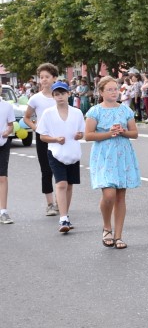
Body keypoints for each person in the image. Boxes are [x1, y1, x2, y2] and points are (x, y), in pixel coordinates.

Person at [84, 77, 141, 249]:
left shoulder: (125, 110)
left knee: (120, 196)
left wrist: (123, 131)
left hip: (122, 154)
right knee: (109, 194)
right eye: (109, 89)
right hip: (103, 154)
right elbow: (88, 135)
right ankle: (107, 226)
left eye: (116, 89)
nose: (114, 92)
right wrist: (109, 133)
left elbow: (134, 133)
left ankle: (118, 236)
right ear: (101, 92)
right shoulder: (95, 111)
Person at [36, 81, 85, 233]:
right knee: (61, 184)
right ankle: (63, 218)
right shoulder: (48, 113)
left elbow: (82, 132)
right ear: (53, 96)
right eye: (56, 94)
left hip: (72, 152)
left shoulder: (77, 113)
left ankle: (66, 215)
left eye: (62, 93)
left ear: (68, 94)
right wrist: (55, 139)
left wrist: (79, 135)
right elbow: (42, 136)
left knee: (69, 185)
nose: (60, 97)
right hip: (55, 152)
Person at [23, 63, 59, 216]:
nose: (43, 80)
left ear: (54, 78)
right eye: (41, 77)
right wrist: (35, 127)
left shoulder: (59, 96)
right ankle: (50, 204)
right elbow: (26, 117)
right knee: (46, 170)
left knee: (60, 169)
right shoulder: (35, 98)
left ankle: (60, 201)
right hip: (42, 137)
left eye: (47, 77)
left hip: (59, 136)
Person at [0, 97, 15, 224]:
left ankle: (3, 212)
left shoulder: (7, 106)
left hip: (3, 144)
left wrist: (7, 131)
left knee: (2, 177)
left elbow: (11, 126)